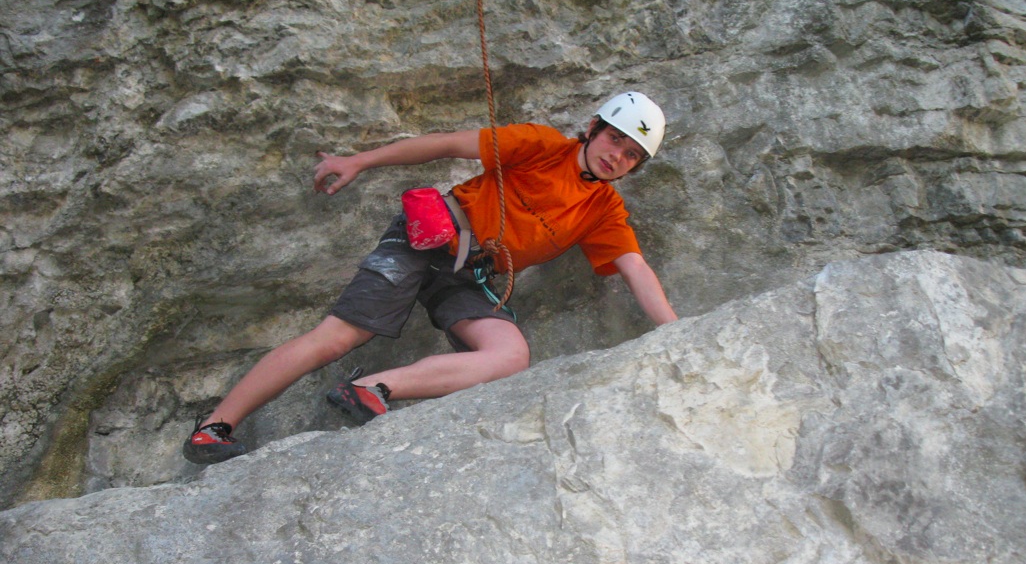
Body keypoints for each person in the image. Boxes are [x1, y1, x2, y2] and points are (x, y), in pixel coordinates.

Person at [183, 91, 678, 464]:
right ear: (592, 128)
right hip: (428, 236)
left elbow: (635, 267)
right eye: (615, 138)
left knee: (510, 356)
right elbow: (447, 145)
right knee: (337, 337)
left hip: (469, 275)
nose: (617, 155)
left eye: (632, 154)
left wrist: (676, 334)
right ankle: (214, 426)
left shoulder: (603, 210)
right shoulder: (543, 146)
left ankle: (372, 387)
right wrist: (359, 161)